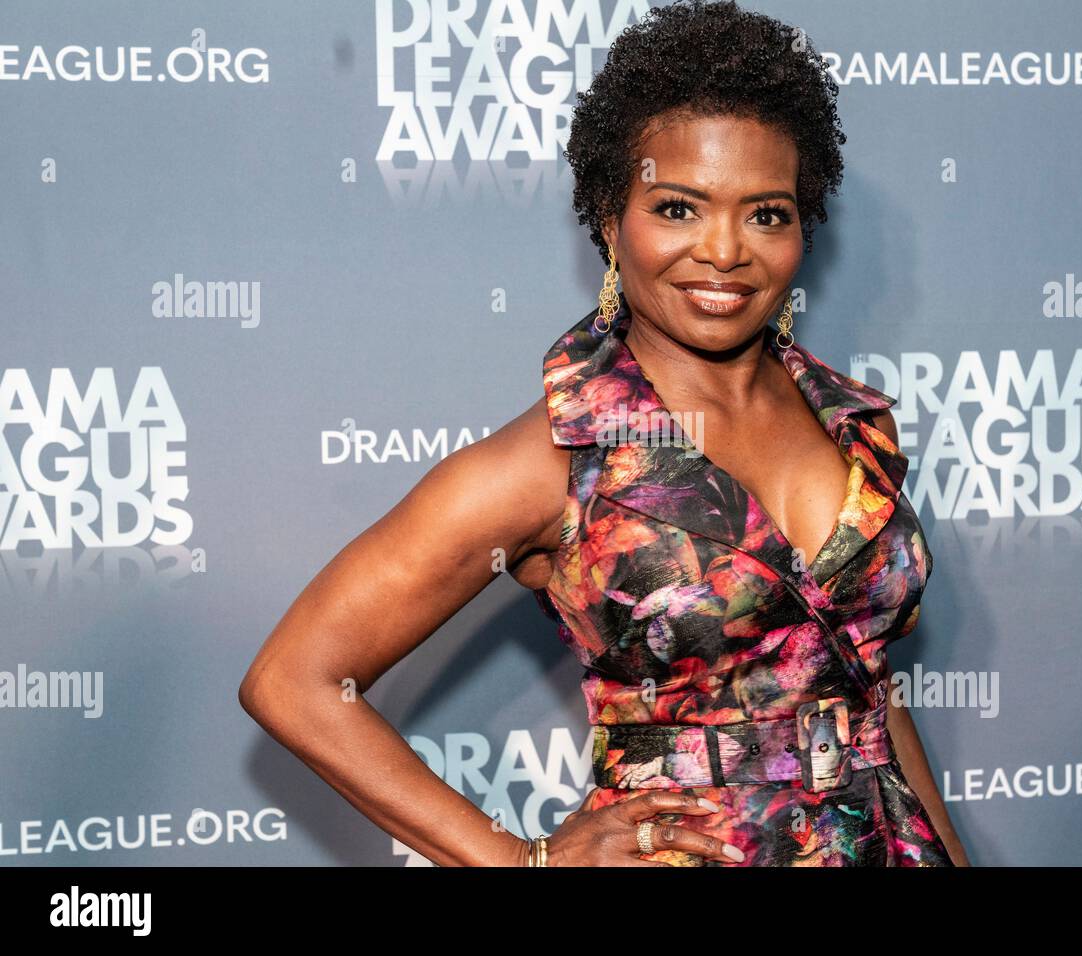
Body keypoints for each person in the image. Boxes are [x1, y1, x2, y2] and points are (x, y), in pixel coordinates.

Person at [239, 0, 969, 867]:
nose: (726, 250)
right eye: (678, 208)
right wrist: (521, 863)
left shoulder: (856, 424)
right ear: (607, 217)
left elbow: (864, 685)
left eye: (766, 213)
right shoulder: (554, 463)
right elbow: (295, 682)